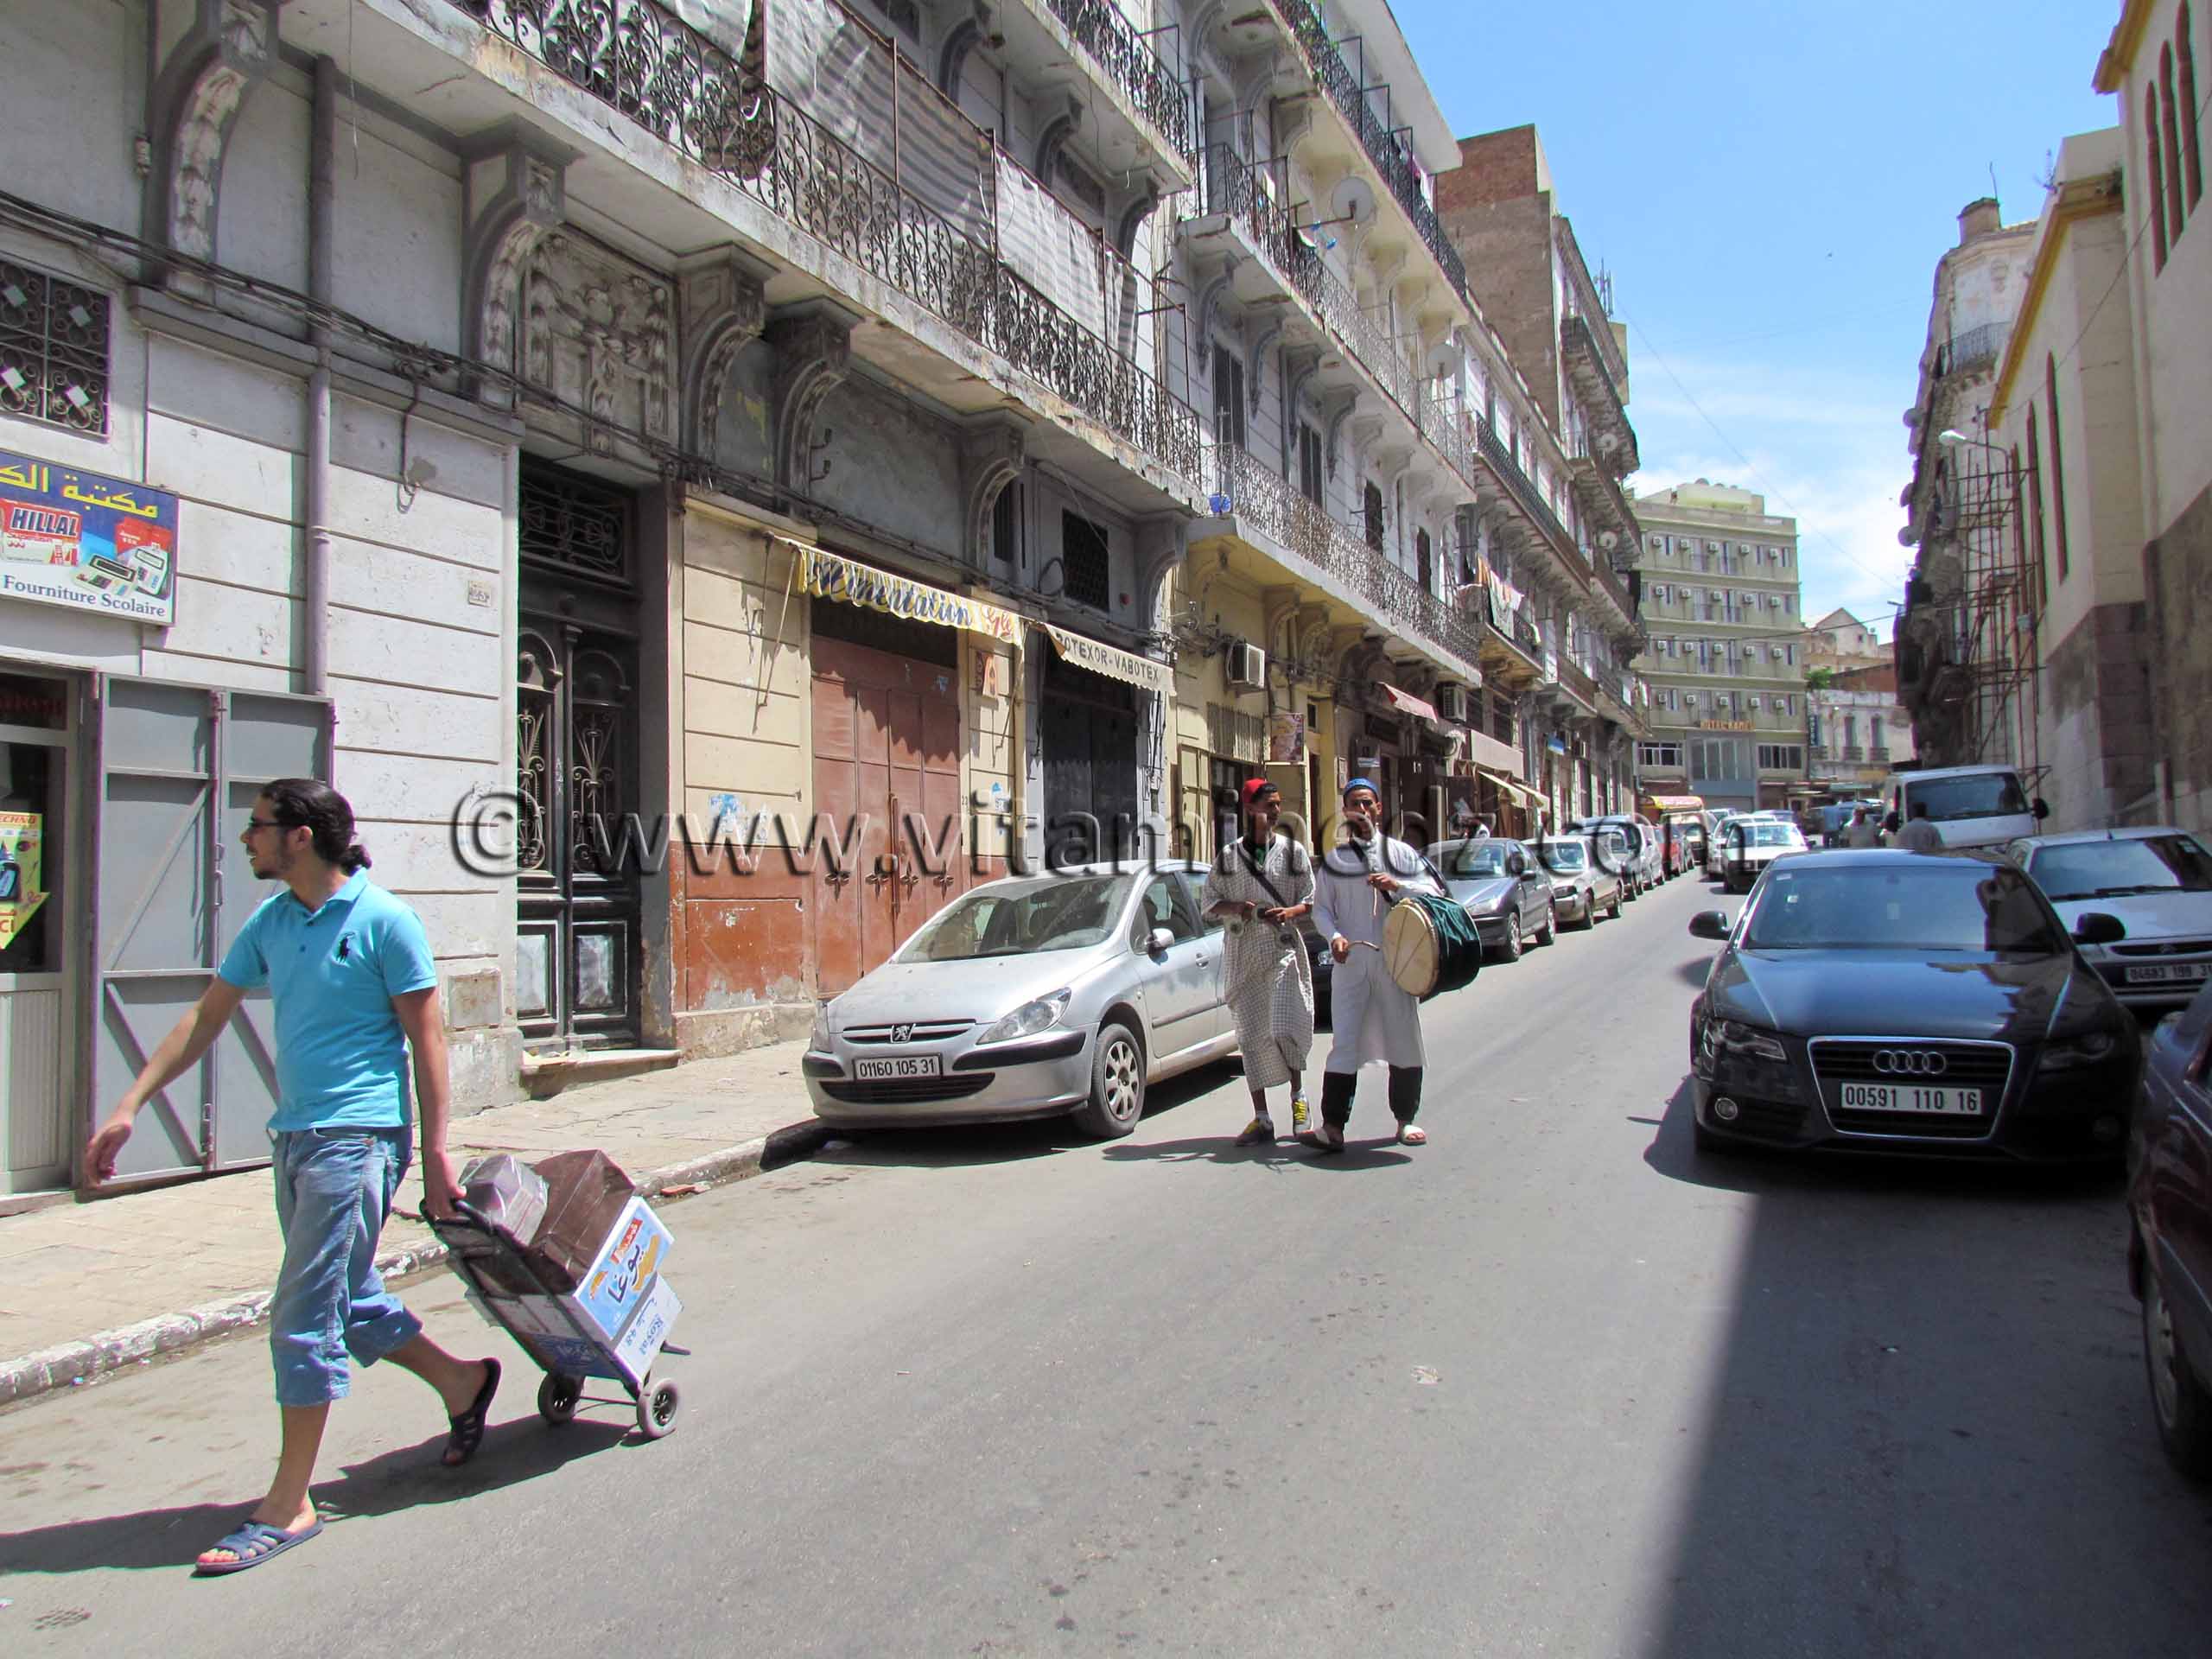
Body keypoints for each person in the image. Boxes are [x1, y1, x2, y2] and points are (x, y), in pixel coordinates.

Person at [85, 779, 498, 1576]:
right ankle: (461, 1381)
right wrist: (132, 1104)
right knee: (347, 1297)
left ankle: (289, 1503)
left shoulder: (386, 922)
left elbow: (429, 1041)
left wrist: (439, 1152)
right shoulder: (271, 924)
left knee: (302, 1313)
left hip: (360, 1140)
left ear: (301, 837)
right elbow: (204, 1018)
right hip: (297, 1140)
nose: (247, 839)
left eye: (258, 827)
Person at [1303, 778, 1446, 1151]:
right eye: (1354, 804)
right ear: (1346, 811)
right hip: (1351, 963)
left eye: (1367, 803)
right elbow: (1321, 909)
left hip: (1395, 963)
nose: (1362, 810)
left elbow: (1433, 892)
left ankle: (1405, 1119)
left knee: (1403, 1038)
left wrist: (1396, 884)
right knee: (1344, 1042)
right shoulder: (1335, 861)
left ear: (1379, 808)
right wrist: (1333, 936)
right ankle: (1333, 1126)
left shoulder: (1400, 853)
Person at [1201, 778, 1317, 1145]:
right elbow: (1209, 904)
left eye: (1279, 804)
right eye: (1269, 805)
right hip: (1244, 956)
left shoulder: (1294, 852)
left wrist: (1291, 911)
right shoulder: (1229, 858)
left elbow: (1312, 898)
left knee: (1284, 1026)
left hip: (1282, 950)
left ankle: (1299, 1101)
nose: (1276, 810)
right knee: (1251, 1036)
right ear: (1250, 810)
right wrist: (1240, 908)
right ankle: (1262, 1118)